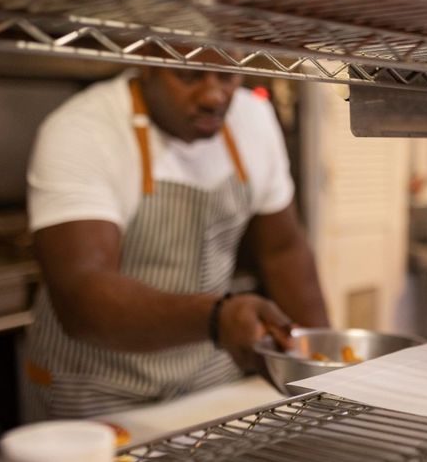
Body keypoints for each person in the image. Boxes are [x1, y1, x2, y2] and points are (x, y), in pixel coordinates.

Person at [21, 66, 328, 420]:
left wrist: (322, 367)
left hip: (207, 380)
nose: (214, 96)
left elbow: (283, 250)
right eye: (189, 76)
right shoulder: (83, 130)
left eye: (227, 75)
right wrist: (216, 319)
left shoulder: (253, 120)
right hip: (96, 390)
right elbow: (82, 296)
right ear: (147, 61)